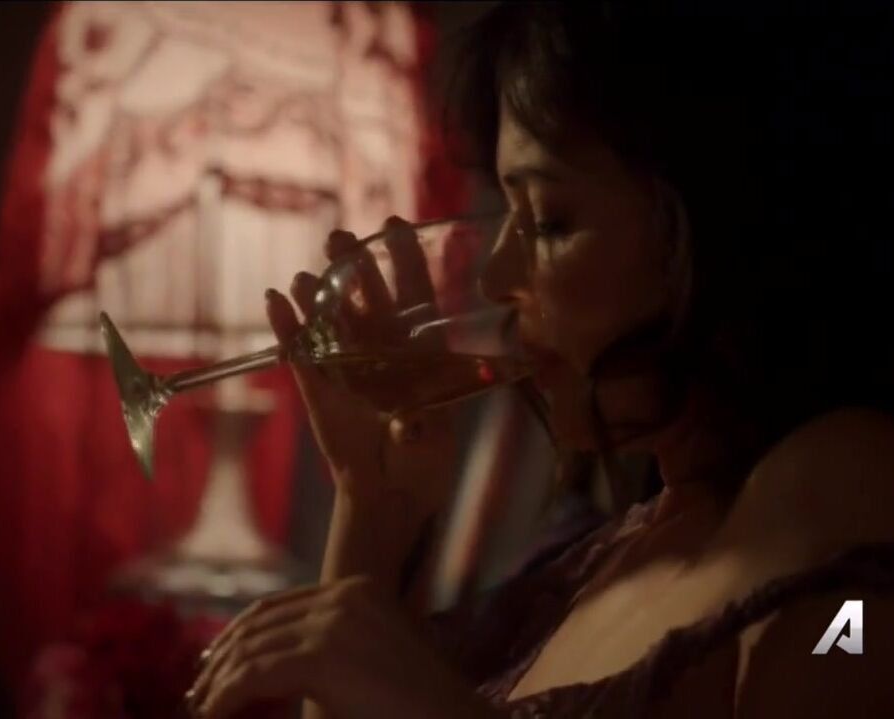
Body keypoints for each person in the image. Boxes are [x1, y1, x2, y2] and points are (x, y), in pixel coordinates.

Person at [183, 3, 894, 717]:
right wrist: (374, 507)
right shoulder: (606, 553)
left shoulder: (850, 485)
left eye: (549, 220)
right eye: (508, 213)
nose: (495, 279)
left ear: (717, 216)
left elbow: (852, 647)